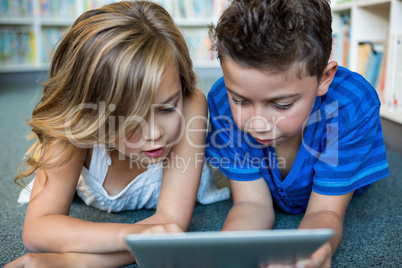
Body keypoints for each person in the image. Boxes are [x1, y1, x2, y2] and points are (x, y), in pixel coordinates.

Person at [6, 1, 229, 267]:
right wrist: (131, 234)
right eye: (130, 118)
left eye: (168, 108)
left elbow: (169, 226)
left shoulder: (192, 105)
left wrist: (76, 263)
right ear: (91, 114)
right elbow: (38, 231)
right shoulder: (75, 124)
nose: (156, 133)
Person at [205, 0, 389, 267]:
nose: (257, 124)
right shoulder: (221, 102)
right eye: (240, 100)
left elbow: (325, 210)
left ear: (324, 78)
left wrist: (309, 252)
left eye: (281, 104)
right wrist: (229, 253)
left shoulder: (352, 105)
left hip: (338, 189)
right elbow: (251, 204)